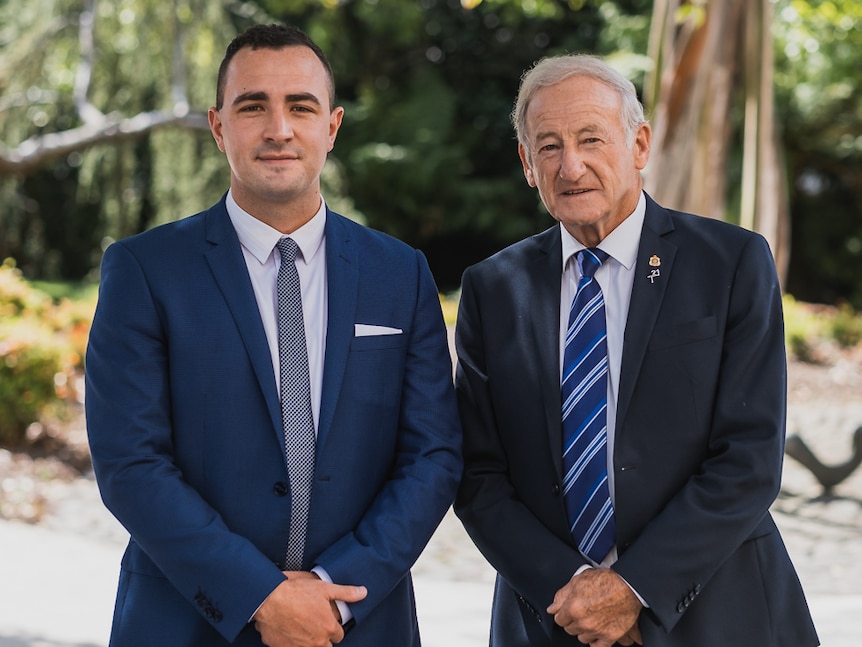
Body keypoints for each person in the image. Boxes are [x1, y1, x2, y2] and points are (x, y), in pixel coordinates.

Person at [85, 23, 461, 647]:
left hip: (357, 622)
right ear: (217, 126)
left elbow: (433, 455)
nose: (278, 128)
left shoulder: (401, 274)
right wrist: (259, 596)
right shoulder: (145, 271)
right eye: (253, 105)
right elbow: (130, 463)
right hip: (187, 621)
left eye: (301, 107)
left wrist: (336, 592)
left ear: (332, 127)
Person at [453, 54, 818, 647]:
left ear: (640, 144)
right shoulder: (493, 288)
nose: (571, 165)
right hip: (552, 617)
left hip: (718, 611)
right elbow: (480, 474)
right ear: (526, 163)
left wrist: (634, 587)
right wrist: (578, 590)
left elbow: (748, 458)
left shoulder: (729, 263)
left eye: (591, 138)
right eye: (548, 146)